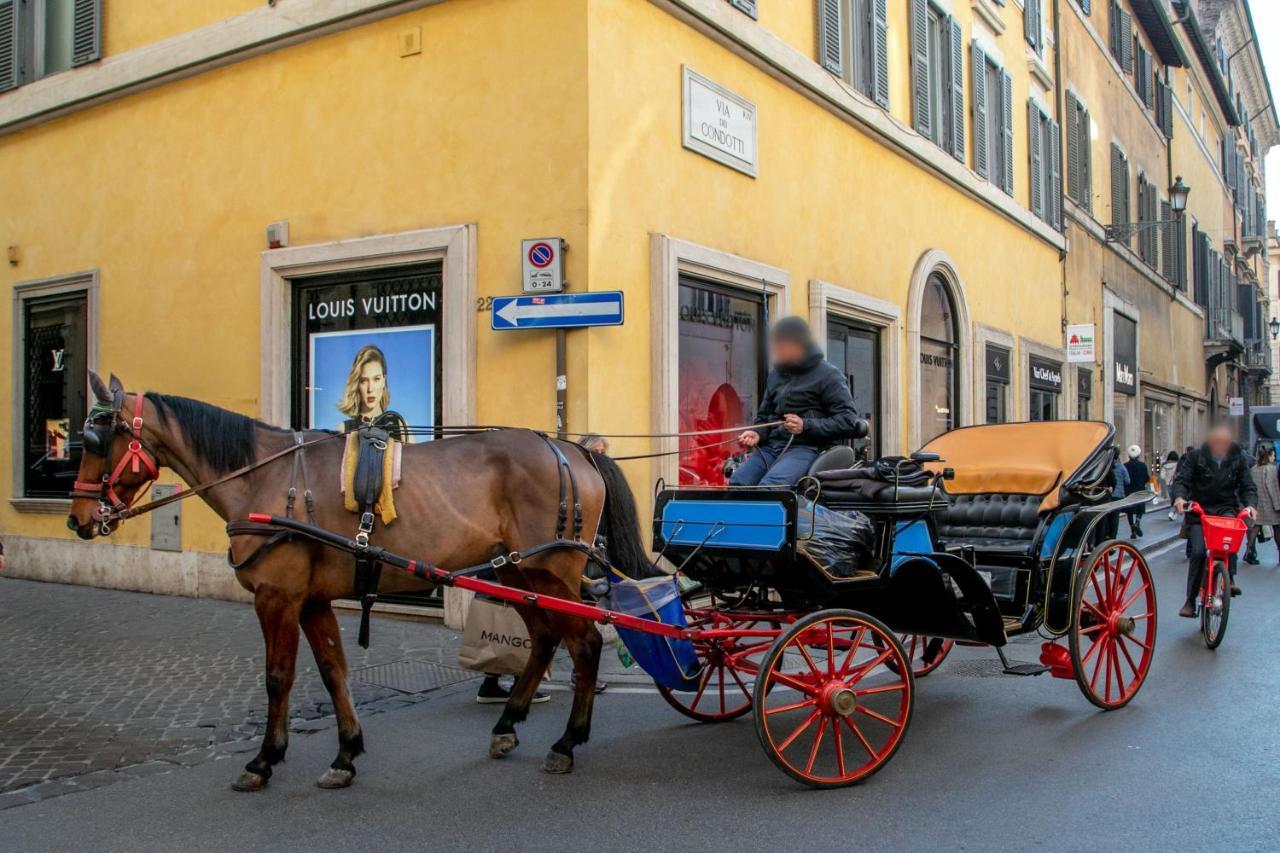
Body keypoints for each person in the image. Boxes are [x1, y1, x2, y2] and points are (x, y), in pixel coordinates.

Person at [730, 317, 860, 487]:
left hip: (808, 448)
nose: (776, 350)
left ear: (799, 345)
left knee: (770, 487)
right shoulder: (775, 375)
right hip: (772, 447)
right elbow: (764, 417)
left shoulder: (829, 375)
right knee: (738, 482)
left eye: (781, 345)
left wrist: (805, 425)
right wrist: (757, 434)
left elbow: (847, 420)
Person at [1172, 424, 1257, 617]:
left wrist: (1250, 505)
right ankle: (1190, 600)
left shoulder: (1238, 459)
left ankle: (1230, 578)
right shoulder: (1195, 457)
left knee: (1231, 537)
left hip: (1225, 508)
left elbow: (1248, 486)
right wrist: (1179, 498)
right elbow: (1182, 480)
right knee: (1199, 553)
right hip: (1199, 510)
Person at [336, 344, 409, 441]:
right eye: (364, 381)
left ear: (384, 380)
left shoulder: (400, 425)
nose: (370, 389)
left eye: (376, 379)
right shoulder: (343, 429)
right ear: (357, 384)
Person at [1245, 442, 1280, 565]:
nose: (1274, 457)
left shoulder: (1253, 469)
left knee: (1254, 528)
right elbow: (1272, 487)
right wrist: (1278, 504)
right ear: (1269, 455)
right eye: (1273, 455)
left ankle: (1249, 551)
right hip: (1269, 504)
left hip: (1256, 503)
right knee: (1277, 528)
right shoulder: (1271, 469)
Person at [1101, 446, 1129, 541]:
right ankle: (1112, 537)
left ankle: (1105, 536)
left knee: (1106, 517)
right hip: (1118, 495)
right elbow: (1127, 481)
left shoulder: (1105, 466)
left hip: (1106, 494)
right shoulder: (1122, 467)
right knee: (1114, 518)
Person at [1122, 445, 1150, 538]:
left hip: (1129, 490)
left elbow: (1124, 479)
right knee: (1140, 508)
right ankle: (1137, 522)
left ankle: (1132, 530)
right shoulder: (1143, 465)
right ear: (1138, 455)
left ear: (1129, 456)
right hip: (1140, 489)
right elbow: (1147, 478)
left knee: (1129, 510)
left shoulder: (1125, 465)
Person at [1163, 450, 1181, 521]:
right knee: (1175, 498)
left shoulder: (1164, 465)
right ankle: (1173, 513)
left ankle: (1173, 513)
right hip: (1176, 483)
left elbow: (1162, 476)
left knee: (1172, 499)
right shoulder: (1178, 464)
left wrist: (1167, 478)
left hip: (1168, 484)